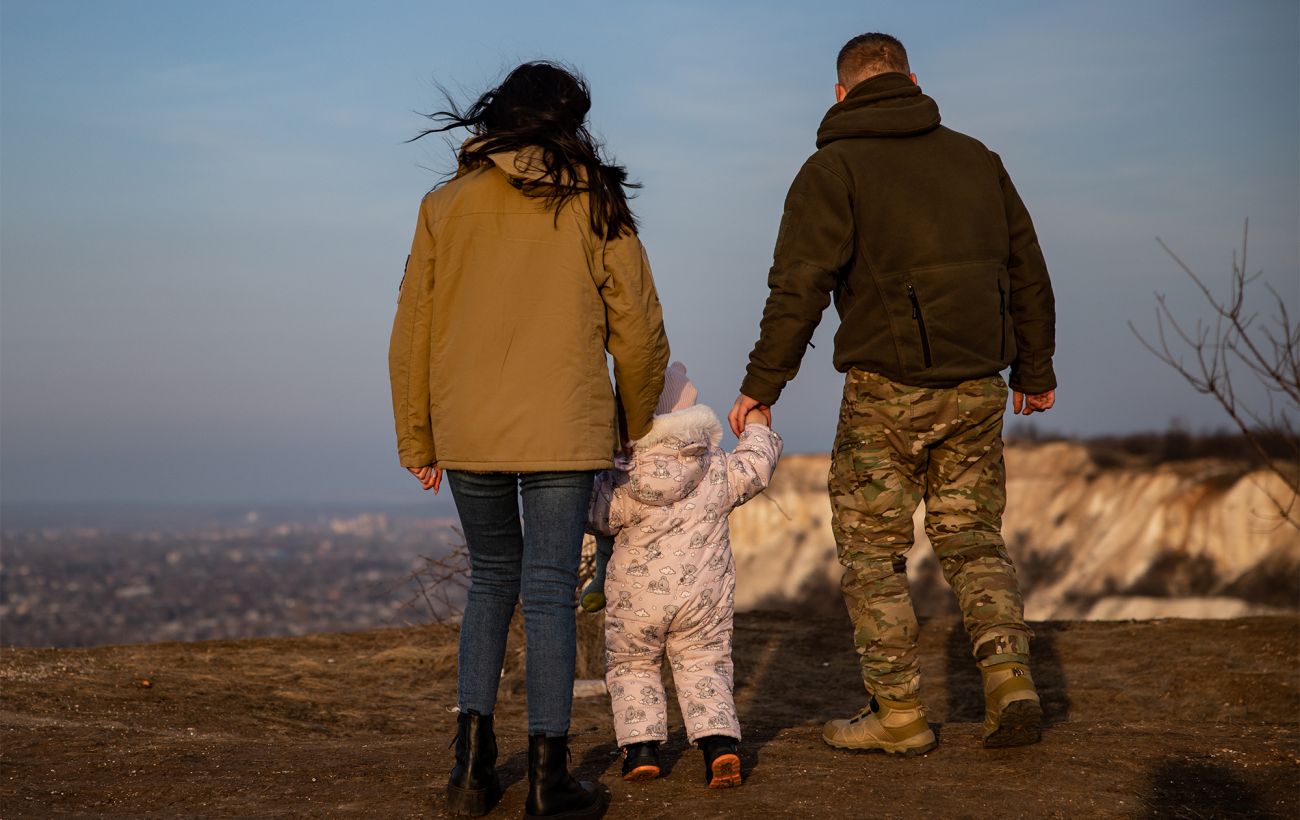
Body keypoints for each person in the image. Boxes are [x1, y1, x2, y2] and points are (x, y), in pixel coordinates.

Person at [729, 33, 1057, 756]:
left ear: (840, 94)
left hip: (887, 391)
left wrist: (762, 385)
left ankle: (900, 714)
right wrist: (1034, 371)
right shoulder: (978, 160)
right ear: (912, 81)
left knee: (873, 552)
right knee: (973, 538)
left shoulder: (833, 168)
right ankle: (1009, 680)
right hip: (979, 385)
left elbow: (799, 286)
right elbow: (1028, 270)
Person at [389, 61, 670, 818]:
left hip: (468, 426)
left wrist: (417, 436)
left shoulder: (443, 205)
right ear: (568, 122)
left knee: (490, 581)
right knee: (548, 590)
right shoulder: (596, 203)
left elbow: (413, 328)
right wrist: (632, 420)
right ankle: (549, 782)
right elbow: (639, 328)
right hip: (564, 425)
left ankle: (470, 773)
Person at [588, 362, 783, 787]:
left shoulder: (621, 476)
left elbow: (595, 517)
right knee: (704, 661)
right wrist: (757, 425)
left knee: (633, 665)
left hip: (636, 600)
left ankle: (641, 751)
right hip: (703, 597)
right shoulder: (714, 465)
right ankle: (720, 747)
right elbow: (755, 467)